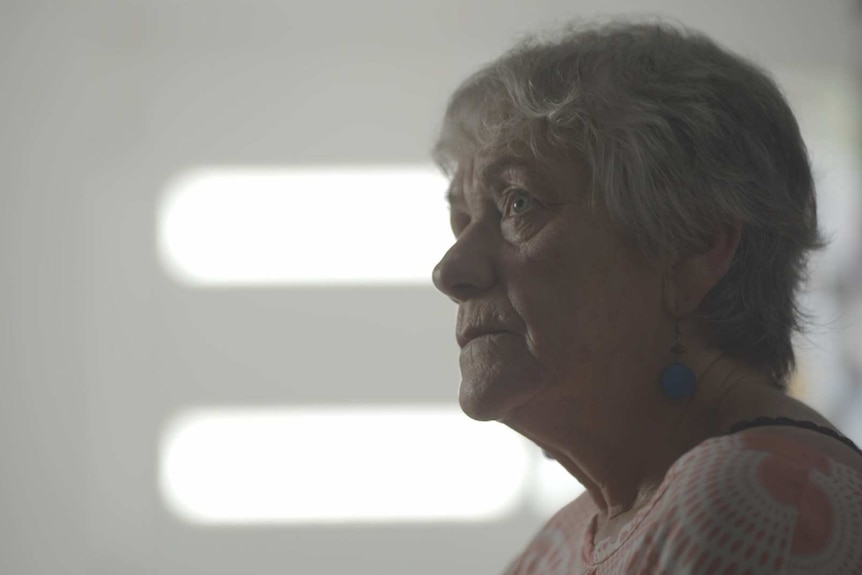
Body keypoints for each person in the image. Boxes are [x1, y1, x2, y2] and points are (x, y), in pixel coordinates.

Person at [430, 20, 862, 574]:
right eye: (461, 221)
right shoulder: (561, 542)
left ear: (691, 249)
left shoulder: (758, 498)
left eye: (518, 204)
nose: (451, 270)